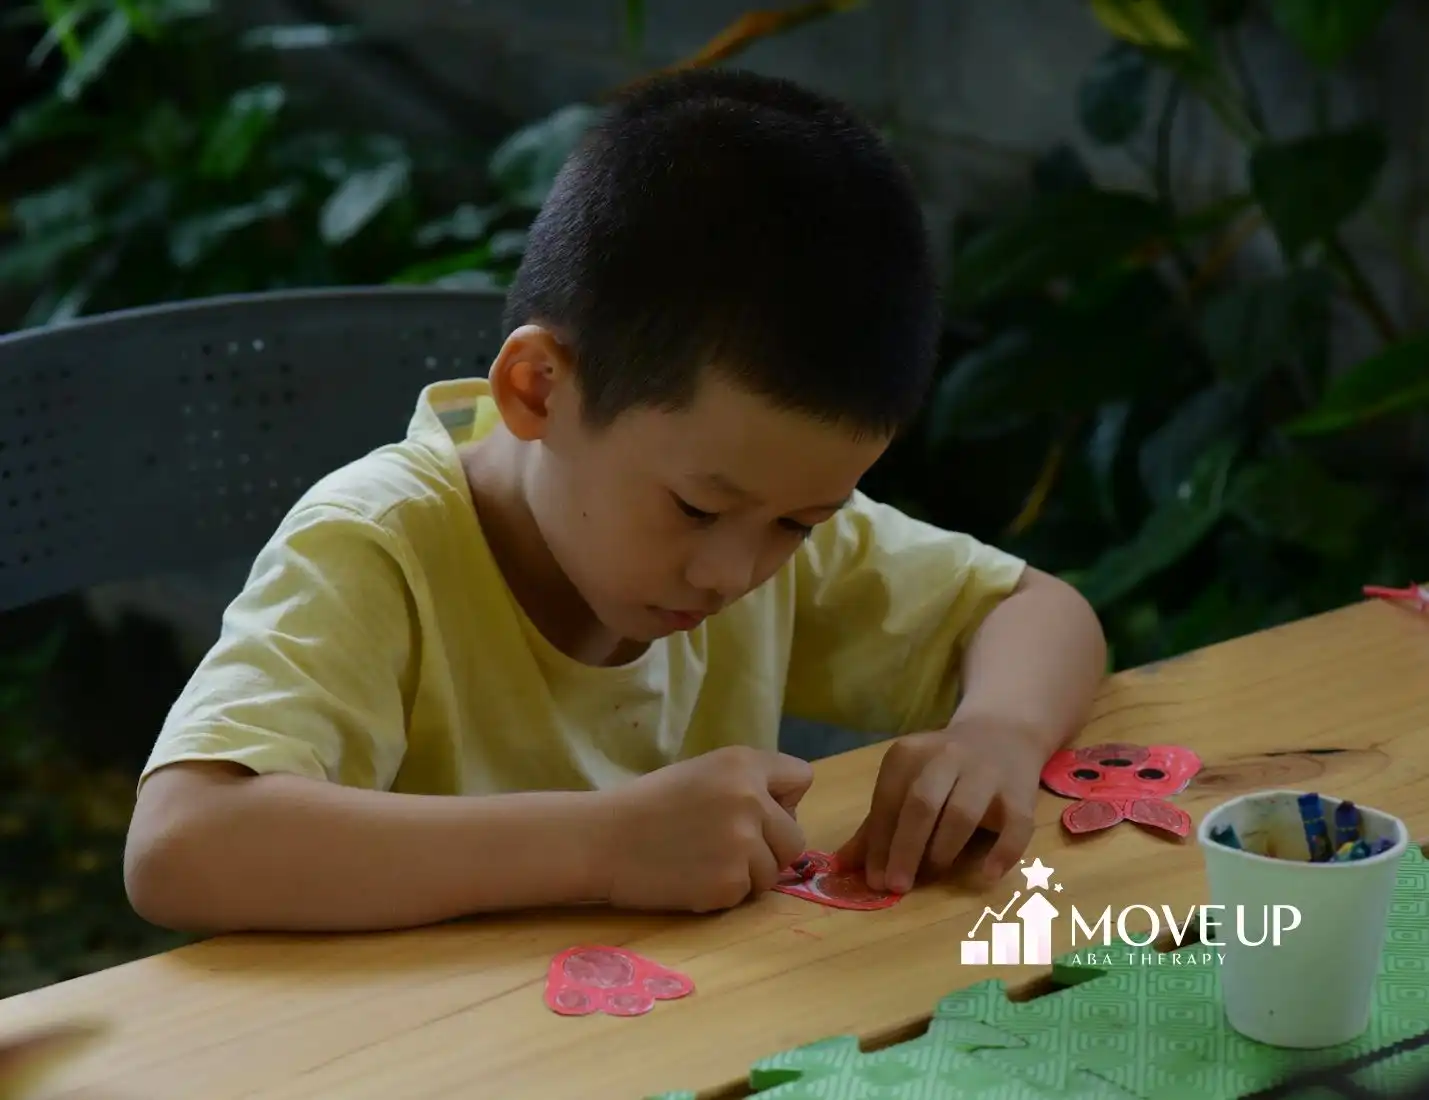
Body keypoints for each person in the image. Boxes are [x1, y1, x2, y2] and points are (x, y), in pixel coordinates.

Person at [122, 68, 1106, 935]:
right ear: (540, 390)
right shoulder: (379, 546)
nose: (731, 572)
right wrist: (603, 843)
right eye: (692, 508)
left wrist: (998, 735)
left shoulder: (757, 510)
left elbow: (1037, 609)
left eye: (799, 524)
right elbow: (182, 843)